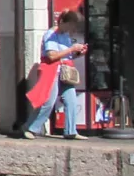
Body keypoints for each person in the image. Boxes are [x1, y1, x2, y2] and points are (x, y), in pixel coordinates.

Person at [24, 12, 88, 140]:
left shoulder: (65, 35)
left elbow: (65, 55)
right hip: (52, 70)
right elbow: (52, 56)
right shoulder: (51, 34)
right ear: (63, 22)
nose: (72, 30)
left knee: (71, 100)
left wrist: (78, 53)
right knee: (49, 101)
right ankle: (31, 127)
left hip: (64, 71)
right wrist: (71, 49)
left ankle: (71, 131)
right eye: (71, 26)